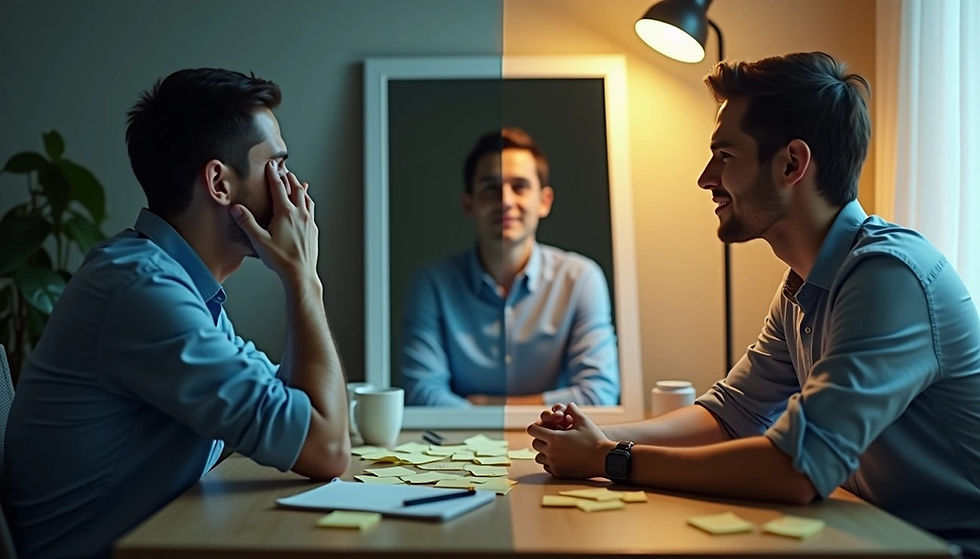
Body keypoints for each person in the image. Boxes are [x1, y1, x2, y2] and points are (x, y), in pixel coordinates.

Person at [528, 52, 980, 557]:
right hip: (870, 531)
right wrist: (594, 438)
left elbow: (796, 469)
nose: (706, 178)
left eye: (725, 156)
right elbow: (731, 413)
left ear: (791, 163)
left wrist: (612, 458)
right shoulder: (803, 286)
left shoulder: (889, 278)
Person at [2, 69, 351, 558]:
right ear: (219, 182)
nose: (293, 187)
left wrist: (301, 281)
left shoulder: (178, 285)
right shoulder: (140, 290)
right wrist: (303, 280)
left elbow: (297, 408)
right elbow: (327, 448)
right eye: (275, 166)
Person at [401, 127, 620, 407]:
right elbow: (422, 392)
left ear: (544, 202)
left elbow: (598, 394)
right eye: (490, 188)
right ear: (468, 204)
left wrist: (485, 405)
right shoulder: (432, 284)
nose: (505, 201)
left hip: (558, 446)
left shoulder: (580, 279)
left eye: (520, 186)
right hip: (457, 448)